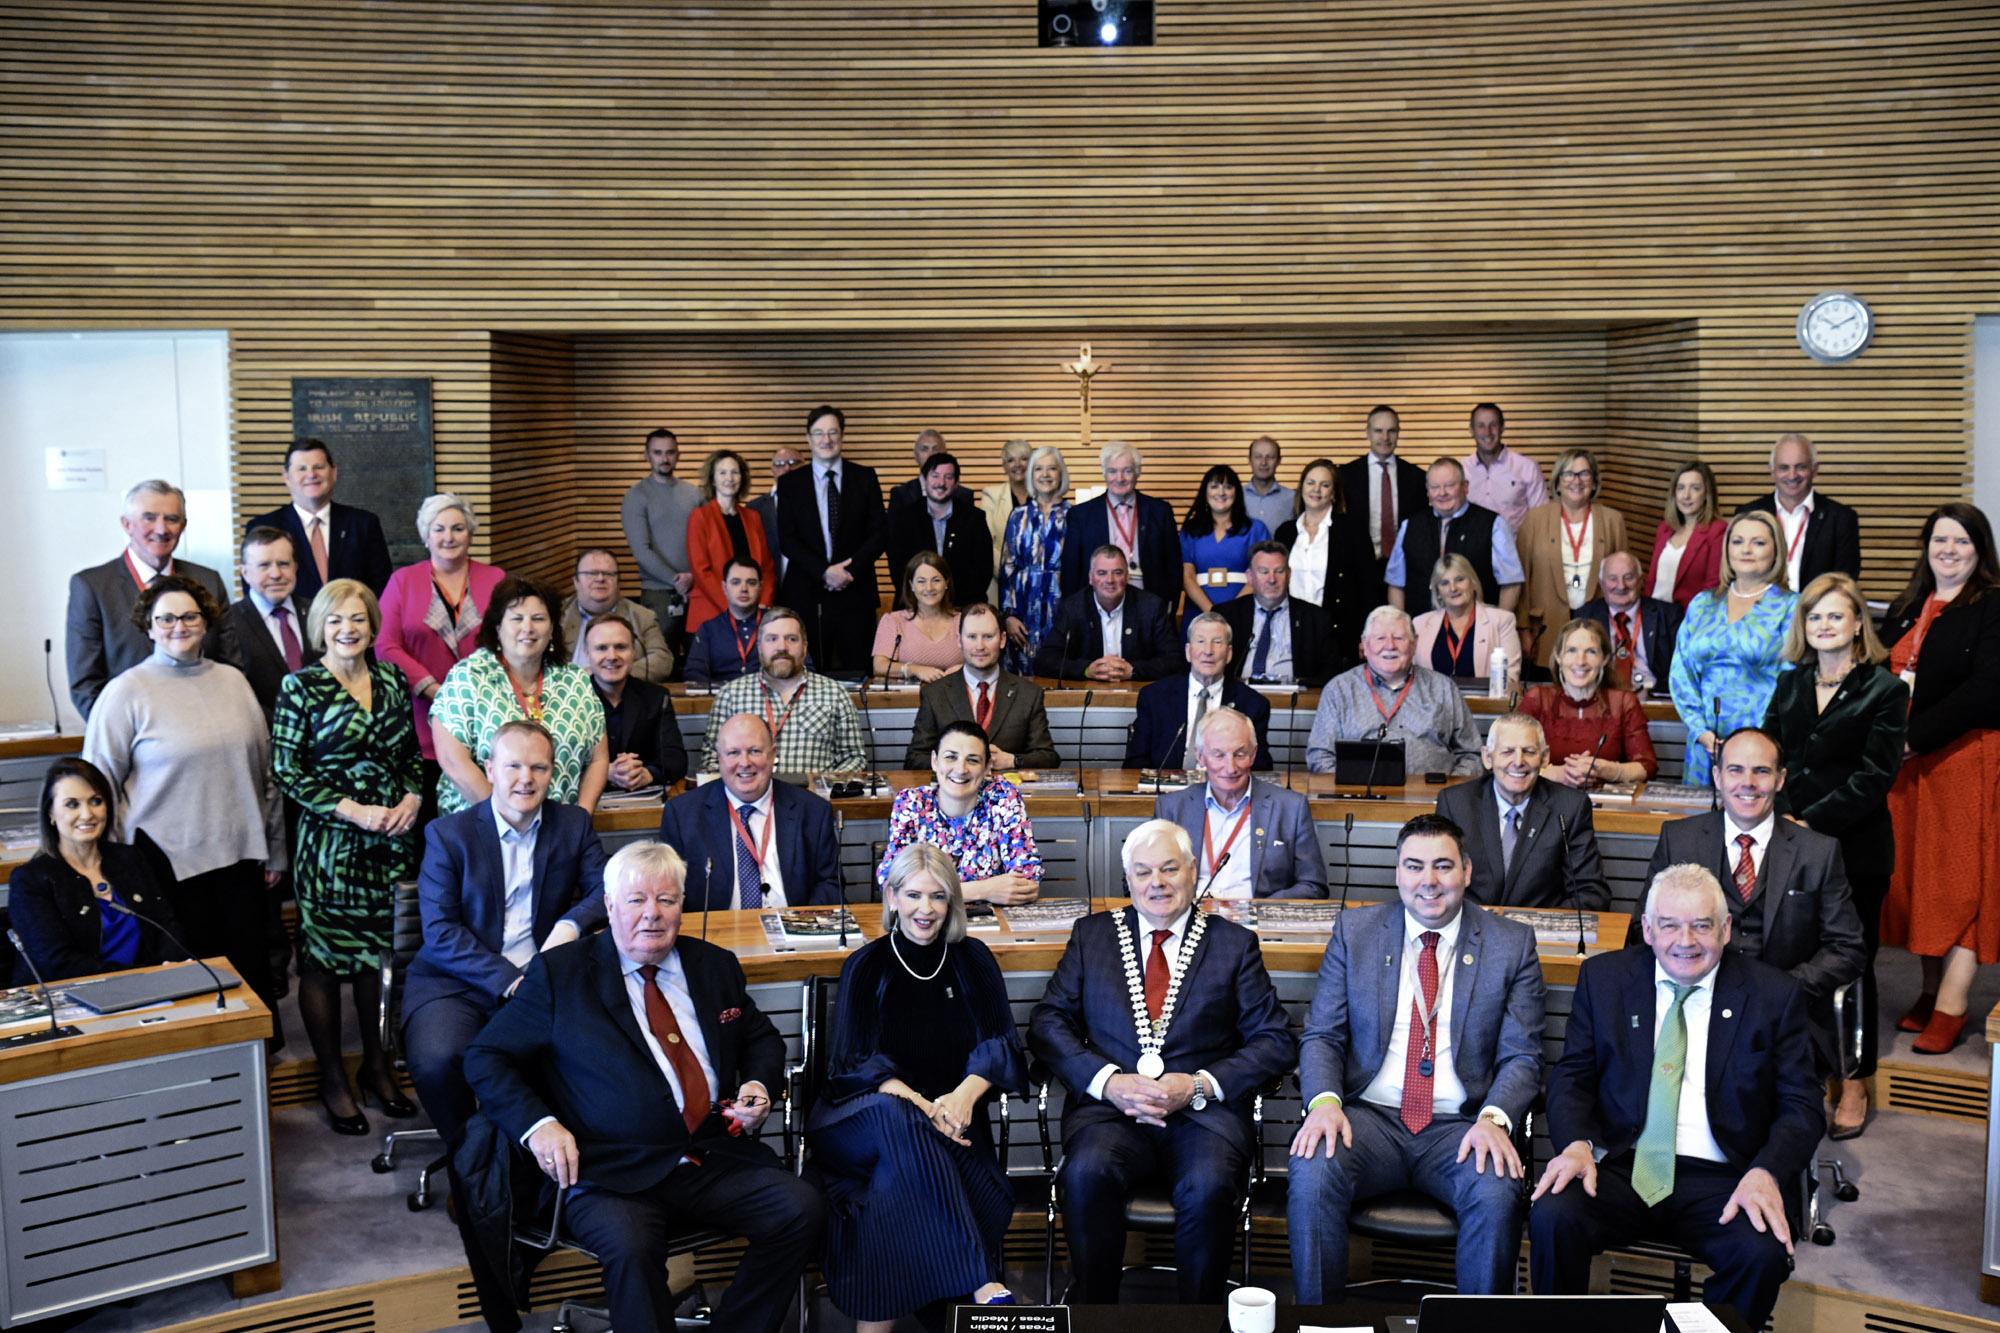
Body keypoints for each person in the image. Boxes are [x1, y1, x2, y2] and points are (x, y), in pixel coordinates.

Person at [462, 841, 824, 1333]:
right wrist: (538, 1126)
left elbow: (758, 1037)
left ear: (682, 905)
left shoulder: (713, 966)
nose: (652, 915)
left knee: (800, 1207)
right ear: (609, 907)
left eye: (666, 900)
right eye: (636, 901)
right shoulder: (561, 974)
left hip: (706, 1156)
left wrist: (759, 1084)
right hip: (607, 1169)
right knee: (632, 1246)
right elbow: (487, 1056)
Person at [1530, 865, 1823, 1330]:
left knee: (1760, 1253)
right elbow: (1574, 1075)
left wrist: (1766, 1172)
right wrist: (1576, 1145)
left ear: (1725, 929)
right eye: (1669, 925)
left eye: (1702, 925)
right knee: (1553, 1215)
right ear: (1647, 930)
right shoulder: (1605, 979)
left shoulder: (1773, 995)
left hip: (1725, 1175)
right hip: (1624, 1164)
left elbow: (1802, 1105)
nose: (1684, 940)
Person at [1028, 820, 1297, 1303]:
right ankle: (1096, 1314)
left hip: (1203, 1118)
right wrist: (1106, 1081)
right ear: (1127, 879)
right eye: (1144, 872)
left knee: (1210, 1185)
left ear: (1193, 872)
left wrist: (1199, 1084)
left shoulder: (1234, 945)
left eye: (1170, 868)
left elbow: (1275, 1040)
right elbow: (1048, 1023)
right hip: (1110, 1114)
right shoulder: (1092, 937)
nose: (1158, 882)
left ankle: (1198, 1319)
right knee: (1085, 1175)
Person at [1288, 812, 1546, 1300]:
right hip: (1367, 1120)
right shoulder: (1356, 931)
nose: (1428, 881)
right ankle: (1317, 1324)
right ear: (1397, 873)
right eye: (1414, 866)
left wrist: (1494, 1118)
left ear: (1467, 872)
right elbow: (1322, 1035)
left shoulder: (1510, 945)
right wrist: (1323, 1103)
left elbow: (1522, 1056)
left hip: (1461, 1126)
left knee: (1495, 1191)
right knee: (1313, 1169)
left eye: (1443, 866)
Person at [810, 843, 1030, 1327]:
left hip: (951, 1119)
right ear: (890, 897)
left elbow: (1001, 1044)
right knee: (897, 1116)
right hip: (859, 1120)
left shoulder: (973, 959)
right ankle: (979, 1277)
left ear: (953, 902)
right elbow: (853, 1064)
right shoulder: (867, 965)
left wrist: (963, 1095)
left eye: (937, 897)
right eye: (912, 895)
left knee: (893, 1188)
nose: (925, 910)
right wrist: (926, 1108)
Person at [82, 574, 284, 1014]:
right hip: (163, 869)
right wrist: (106, 867)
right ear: (149, 626)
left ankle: (256, 1076)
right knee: (189, 996)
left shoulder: (233, 682)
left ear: (206, 621)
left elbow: (266, 773)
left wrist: (275, 846)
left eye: (190, 616)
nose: (179, 625)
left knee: (248, 988)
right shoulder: (125, 693)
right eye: (166, 618)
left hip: (239, 860)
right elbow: (97, 789)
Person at [403, 721, 608, 1150]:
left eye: (538, 767)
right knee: (439, 1061)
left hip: (543, 979)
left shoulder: (572, 825)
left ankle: (530, 1163)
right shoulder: (448, 835)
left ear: (552, 773)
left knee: (578, 1059)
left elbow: (604, 889)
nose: (526, 779)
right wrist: (509, 980)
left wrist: (569, 925)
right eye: (514, 765)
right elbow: (440, 933)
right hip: (455, 982)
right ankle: (472, 1167)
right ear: (490, 768)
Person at [272, 579, 424, 1134]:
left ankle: (378, 1069)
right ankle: (333, 1078)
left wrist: (411, 797)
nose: (348, 629)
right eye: (336, 620)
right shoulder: (301, 687)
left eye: (358, 619)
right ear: (320, 628)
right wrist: (351, 810)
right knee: (321, 965)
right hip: (331, 846)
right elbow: (287, 769)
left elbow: (410, 754)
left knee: (378, 961)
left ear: (371, 624)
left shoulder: (389, 677)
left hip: (389, 844)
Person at [1764, 572, 1908, 1133]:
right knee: (1797, 959)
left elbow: (1875, 777)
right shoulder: (1790, 683)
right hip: (1793, 847)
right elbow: (1775, 756)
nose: (1824, 625)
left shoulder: (1885, 689)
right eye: (1814, 617)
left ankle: (1854, 1082)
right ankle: (1802, 1075)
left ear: (1856, 625)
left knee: (1853, 966)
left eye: (1835, 616)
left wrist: (1808, 820)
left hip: (1855, 850)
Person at [1644, 727, 1867, 1072]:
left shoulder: (1818, 852)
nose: (1747, 782)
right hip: (1694, 1002)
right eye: (1736, 770)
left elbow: (1847, 948)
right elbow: (1643, 928)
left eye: (1761, 771)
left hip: (1786, 1015)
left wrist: (1782, 990)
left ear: (1780, 780)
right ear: (1717, 776)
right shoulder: (1679, 840)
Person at [1881, 503, 2000, 1055]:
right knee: (1919, 880)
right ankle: (1929, 991)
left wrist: (1913, 737)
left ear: (1980, 550)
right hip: (1909, 771)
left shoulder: (1992, 604)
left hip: (1963, 759)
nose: (1948, 550)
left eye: (1961, 542)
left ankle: (1953, 1002)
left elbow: (1988, 689)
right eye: (1939, 540)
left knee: (1963, 883)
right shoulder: (1907, 607)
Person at [431, 575, 608, 816]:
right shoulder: (469, 676)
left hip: (560, 834)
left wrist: (580, 820)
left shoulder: (575, 681)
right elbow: (452, 760)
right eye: (517, 618)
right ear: (498, 627)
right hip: (483, 828)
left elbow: (598, 759)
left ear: (552, 628)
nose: (528, 628)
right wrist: (507, 820)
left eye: (538, 619)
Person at [8, 758, 188, 983]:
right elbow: (56, 963)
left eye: (96, 801)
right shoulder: (30, 880)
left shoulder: (130, 858)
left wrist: (172, 969)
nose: (87, 814)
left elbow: (166, 929)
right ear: (51, 814)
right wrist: (139, 978)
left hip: (148, 987)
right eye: (72, 804)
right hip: (72, 1000)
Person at [377, 493, 508, 798]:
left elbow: (508, 640)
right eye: (439, 529)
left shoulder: (496, 578)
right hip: (420, 720)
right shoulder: (403, 581)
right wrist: (432, 688)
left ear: (471, 534)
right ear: (426, 536)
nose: (448, 537)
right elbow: (385, 645)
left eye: (458, 528)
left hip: (484, 715)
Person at [66, 479, 229, 718]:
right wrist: (121, 736)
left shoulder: (209, 582)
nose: (161, 529)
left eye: (171, 519)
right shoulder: (92, 587)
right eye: (149, 518)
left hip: (204, 730)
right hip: (129, 739)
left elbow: (229, 665)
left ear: (183, 526)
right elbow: (85, 684)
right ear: (127, 524)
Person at [659, 713, 842, 910]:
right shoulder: (682, 814)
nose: (745, 762)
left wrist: (803, 926)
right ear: (719, 758)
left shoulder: (813, 810)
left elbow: (831, 884)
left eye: (754, 751)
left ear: (772, 755)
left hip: (794, 931)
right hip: (715, 933)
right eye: (733, 753)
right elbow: (667, 891)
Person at [1669, 510, 1798, 786]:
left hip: (1762, 745)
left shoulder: (1791, 607)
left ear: (1776, 550)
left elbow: (1793, 681)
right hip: (1705, 745)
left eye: (1758, 543)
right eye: (1737, 541)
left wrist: (1752, 740)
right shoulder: (1702, 603)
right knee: (1701, 826)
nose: (1746, 550)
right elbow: (1681, 674)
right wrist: (1701, 731)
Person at [1435, 714, 1609, 909]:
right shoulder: (1455, 804)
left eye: (1529, 751)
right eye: (1507, 752)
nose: (1518, 761)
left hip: (1541, 933)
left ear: (1545, 757)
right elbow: (1439, 882)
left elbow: (1590, 893)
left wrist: (1539, 928)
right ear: (1487, 757)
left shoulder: (1570, 807)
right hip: (1473, 931)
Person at [1154, 708, 1326, 899]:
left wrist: (1260, 910)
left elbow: (1313, 885)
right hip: (1192, 919)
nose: (1231, 767)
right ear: (1201, 757)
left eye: (1240, 754)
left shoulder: (1291, 808)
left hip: (1258, 923)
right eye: (1218, 755)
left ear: (1253, 754)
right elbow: (1146, 875)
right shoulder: (1171, 808)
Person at [876, 721, 1041, 905]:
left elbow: (1027, 880)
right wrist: (983, 890)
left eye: (973, 760)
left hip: (994, 928)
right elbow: (891, 884)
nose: (961, 769)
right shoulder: (912, 803)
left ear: (987, 767)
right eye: (951, 757)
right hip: (926, 925)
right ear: (934, 761)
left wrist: (932, 892)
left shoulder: (1002, 796)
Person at [1308, 606, 1482, 778]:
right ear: (1364, 645)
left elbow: (1472, 755)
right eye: (1380, 638)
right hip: (1359, 800)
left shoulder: (1443, 688)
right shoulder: (1339, 690)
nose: (1390, 646)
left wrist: (1449, 794)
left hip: (1432, 800)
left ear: (1414, 644)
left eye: (1399, 638)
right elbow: (1320, 756)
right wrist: (1350, 786)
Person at [778, 405, 887, 674]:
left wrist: (848, 571)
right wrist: (824, 572)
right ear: (808, 439)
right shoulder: (791, 484)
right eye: (818, 433)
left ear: (842, 435)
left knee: (858, 670)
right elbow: (787, 539)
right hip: (807, 592)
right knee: (806, 671)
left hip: (856, 590)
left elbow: (879, 533)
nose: (826, 440)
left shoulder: (865, 477)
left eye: (832, 432)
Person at [701, 607, 869, 774]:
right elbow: (712, 759)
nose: (782, 647)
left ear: (804, 647)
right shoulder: (730, 696)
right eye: (772, 639)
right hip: (750, 799)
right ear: (760, 648)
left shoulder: (834, 694)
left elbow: (854, 758)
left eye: (792, 639)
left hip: (813, 798)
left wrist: (822, 789)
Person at [905, 603, 1060, 770]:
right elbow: (914, 759)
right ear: (959, 640)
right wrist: (955, 763)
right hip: (955, 790)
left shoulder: (1028, 694)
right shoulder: (934, 693)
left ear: (1002, 639)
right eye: (972, 637)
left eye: (988, 636)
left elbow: (1048, 758)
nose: (980, 646)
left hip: (1007, 791)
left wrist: (1012, 760)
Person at [240, 438, 393, 604]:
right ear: (287, 477)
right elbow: (255, 591)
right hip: (289, 626)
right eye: (302, 469)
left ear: (333, 472)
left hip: (349, 626)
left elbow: (383, 589)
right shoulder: (264, 526)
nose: (311, 474)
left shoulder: (363, 524)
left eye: (318, 467)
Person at [1516, 448, 1629, 670]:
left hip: (1597, 630)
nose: (1576, 481)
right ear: (1557, 483)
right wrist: (1522, 629)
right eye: (1569, 474)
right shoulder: (1535, 519)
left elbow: (1622, 580)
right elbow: (1521, 581)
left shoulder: (1612, 520)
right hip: (1545, 630)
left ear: (1594, 482)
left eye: (1584, 474)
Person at [1520, 618, 1659, 786]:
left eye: (1591, 652)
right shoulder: (1538, 699)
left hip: (1606, 806)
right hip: (1546, 802)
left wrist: (1607, 770)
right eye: (1571, 650)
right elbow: (1509, 761)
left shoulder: (1623, 702)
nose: (1580, 661)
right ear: (1558, 657)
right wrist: (1559, 774)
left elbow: (1646, 766)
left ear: (1605, 659)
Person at [1126, 612, 1273, 771]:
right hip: (1166, 790)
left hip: (1225, 791)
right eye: (1201, 641)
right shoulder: (1154, 697)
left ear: (1229, 653)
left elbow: (1260, 767)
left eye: (1217, 642)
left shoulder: (1253, 704)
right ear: (1188, 651)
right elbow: (1135, 764)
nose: (1208, 651)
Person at [1385, 458, 1524, 619]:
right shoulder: (1409, 526)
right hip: (1421, 630)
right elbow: (1396, 584)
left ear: (1465, 486)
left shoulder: (1493, 524)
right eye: (1435, 487)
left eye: (1450, 486)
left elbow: (1511, 582)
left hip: (1477, 631)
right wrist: (1403, 628)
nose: (1442, 493)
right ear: (1428, 491)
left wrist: (1498, 625)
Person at [1060, 441, 1182, 617]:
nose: (1120, 478)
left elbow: (1173, 566)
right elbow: (1071, 571)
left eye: (1127, 470)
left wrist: (1169, 606)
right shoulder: (1081, 515)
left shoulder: (1160, 511)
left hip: (1150, 603)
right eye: (1113, 471)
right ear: (1104, 473)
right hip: (1097, 605)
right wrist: (1075, 612)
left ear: (1137, 473)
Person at [1033, 546, 1181, 683]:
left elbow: (1174, 660)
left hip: (1138, 695)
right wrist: (1086, 670)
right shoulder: (1072, 608)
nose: (1110, 580)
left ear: (1127, 577)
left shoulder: (1151, 607)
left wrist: (1133, 670)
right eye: (1102, 573)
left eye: (1117, 573)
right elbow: (1044, 661)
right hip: (1088, 696)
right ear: (1091, 578)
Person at [1737, 432, 1862, 586]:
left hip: (1816, 608)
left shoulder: (1841, 518)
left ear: (1815, 469)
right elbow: (1736, 572)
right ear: (1772, 470)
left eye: (1801, 467)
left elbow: (1845, 581)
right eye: (1784, 468)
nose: (1792, 475)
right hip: (1760, 607)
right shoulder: (1748, 514)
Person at [1274, 457, 1375, 648]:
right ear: (1301, 487)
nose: (1316, 490)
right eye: (1310, 483)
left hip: (1338, 630)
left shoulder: (1352, 530)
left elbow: (1368, 585)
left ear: (1334, 493)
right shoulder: (1284, 532)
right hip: (1290, 629)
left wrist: (1367, 633)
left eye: (1324, 485)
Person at [620, 427, 704, 652]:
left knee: (699, 656)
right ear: (647, 456)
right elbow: (641, 550)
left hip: (698, 589)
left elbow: (707, 542)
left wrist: (693, 578)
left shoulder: (694, 493)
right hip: (658, 592)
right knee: (660, 657)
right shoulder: (636, 496)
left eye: (670, 452)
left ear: (678, 455)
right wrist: (675, 580)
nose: (664, 459)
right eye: (658, 453)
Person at [584, 614, 689, 791]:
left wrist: (647, 773)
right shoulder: (572, 700)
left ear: (634, 652)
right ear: (587, 654)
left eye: (621, 647)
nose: (612, 656)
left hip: (642, 800)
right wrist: (604, 771)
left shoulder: (656, 697)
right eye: (601, 648)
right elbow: (556, 763)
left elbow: (675, 758)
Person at [1217, 541, 1340, 687]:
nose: (1272, 579)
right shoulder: (1226, 616)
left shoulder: (1316, 619)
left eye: (1279, 571)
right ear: (1249, 577)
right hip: (1238, 699)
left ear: (1289, 575)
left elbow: (1330, 675)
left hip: (1295, 703)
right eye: (1264, 572)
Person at [687, 448, 778, 638]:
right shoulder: (700, 517)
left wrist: (762, 603)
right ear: (712, 479)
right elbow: (701, 570)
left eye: (735, 472)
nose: (730, 478)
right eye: (723, 472)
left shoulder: (753, 517)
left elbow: (766, 567)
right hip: (712, 612)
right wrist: (734, 606)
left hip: (753, 613)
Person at [887, 452, 994, 611]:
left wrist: (952, 607)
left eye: (948, 477)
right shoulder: (905, 518)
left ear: (956, 483)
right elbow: (898, 567)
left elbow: (983, 570)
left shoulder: (974, 518)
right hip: (914, 608)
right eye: (935, 476)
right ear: (923, 480)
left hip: (962, 609)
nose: (941, 483)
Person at [1338, 405, 1428, 593]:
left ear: (1398, 433)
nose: (1385, 438)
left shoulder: (1416, 477)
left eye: (1391, 431)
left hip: (1406, 571)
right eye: (1378, 431)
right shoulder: (1346, 476)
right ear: (1368, 433)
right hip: (1359, 571)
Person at [220, 526, 306, 721]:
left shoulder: (318, 613)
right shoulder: (227, 623)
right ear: (245, 573)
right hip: (263, 737)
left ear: (295, 567)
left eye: (283, 564)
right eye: (264, 565)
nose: (276, 574)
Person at [1000, 444, 1073, 674]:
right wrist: (1009, 616)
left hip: (1061, 609)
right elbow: (1008, 568)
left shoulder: (1075, 515)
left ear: (1061, 474)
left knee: (1059, 673)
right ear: (1031, 475)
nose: (1045, 475)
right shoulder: (1018, 516)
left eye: (1052, 468)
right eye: (1038, 469)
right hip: (1023, 611)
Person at [559, 548, 673, 684]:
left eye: (608, 574)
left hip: (622, 695)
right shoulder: (557, 616)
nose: (600, 579)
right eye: (592, 573)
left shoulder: (641, 617)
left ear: (619, 582)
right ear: (576, 581)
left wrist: (608, 673)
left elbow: (662, 661)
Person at [1178, 463, 1271, 629]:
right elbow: (1187, 577)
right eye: (1214, 486)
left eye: (1228, 487)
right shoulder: (1190, 531)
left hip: (1244, 611)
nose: (1221, 493)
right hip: (1198, 612)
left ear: (1236, 492)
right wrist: (1211, 613)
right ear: (1205, 492)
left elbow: (1261, 574)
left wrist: (1231, 612)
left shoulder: (1256, 529)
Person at [1411, 554, 1522, 692]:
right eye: (1444, 583)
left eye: (1459, 579)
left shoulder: (1501, 621)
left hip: (1484, 708)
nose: (1453, 588)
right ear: (1438, 592)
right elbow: (1410, 677)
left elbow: (1510, 679)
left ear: (1473, 583)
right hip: (1433, 708)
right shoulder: (1419, 624)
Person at [1577, 550, 1680, 694]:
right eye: (1613, 578)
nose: (1621, 586)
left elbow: (1681, 671)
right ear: (1601, 583)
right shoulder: (1584, 616)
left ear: (1640, 580)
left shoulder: (1668, 616)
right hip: (1601, 698)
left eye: (1629, 577)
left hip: (1653, 699)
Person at [872, 551, 967, 684]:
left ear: (946, 583)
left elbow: (983, 658)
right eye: (921, 581)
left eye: (936, 580)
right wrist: (914, 669)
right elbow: (879, 666)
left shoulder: (965, 621)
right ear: (911, 585)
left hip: (956, 695)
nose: (929, 588)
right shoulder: (893, 621)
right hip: (909, 699)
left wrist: (965, 669)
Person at [685, 557, 778, 689]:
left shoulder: (779, 625)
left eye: (751, 583)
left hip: (769, 700)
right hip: (722, 701)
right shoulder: (709, 629)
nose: (744, 588)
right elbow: (694, 673)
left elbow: (804, 668)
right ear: (724, 587)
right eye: (736, 582)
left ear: (760, 587)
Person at [1646, 460, 1727, 609]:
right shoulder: (1664, 528)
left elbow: (1712, 587)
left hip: (1688, 617)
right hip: (1654, 614)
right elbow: (1652, 580)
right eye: (1681, 488)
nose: (1686, 495)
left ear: (1707, 494)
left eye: (1695, 488)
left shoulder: (1717, 530)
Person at [1461, 402, 1547, 533]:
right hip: (1471, 552)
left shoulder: (1527, 468)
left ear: (1502, 428)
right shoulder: (1461, 471)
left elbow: (1542, 519)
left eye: (1493, 425)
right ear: (1471, 430)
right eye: (1481, 426)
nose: (1487, 432)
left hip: (1517, 552)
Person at [977, 438, 1034, 604]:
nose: (1018, 464)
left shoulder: (1044, 495)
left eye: (1024, 459)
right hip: (1001, 583)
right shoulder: (991, 495)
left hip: (1038, 585)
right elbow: (986, 542)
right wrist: (1009, 573)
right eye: (1011, 460)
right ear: (1004, 467)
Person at [747, 443, 804, 583]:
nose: (787, 468)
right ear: (772, 470)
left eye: (794, 463)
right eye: (779, 464)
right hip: (768, 587)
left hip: (809, 588)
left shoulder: (820, 504)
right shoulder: (755, 508)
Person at [886, 428, 963, 512]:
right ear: (916, 455)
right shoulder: (900, 494)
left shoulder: (963, 495)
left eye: (936, 449)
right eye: (924, 449)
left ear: (945, 454)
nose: (930, 454)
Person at [1242, 435, 1294, 534]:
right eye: (1258, 457)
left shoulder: (1293, 498)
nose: (1263, 462)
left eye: (1270, 457)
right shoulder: (1235, 496)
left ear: (1279, 461)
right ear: (1249, 460)